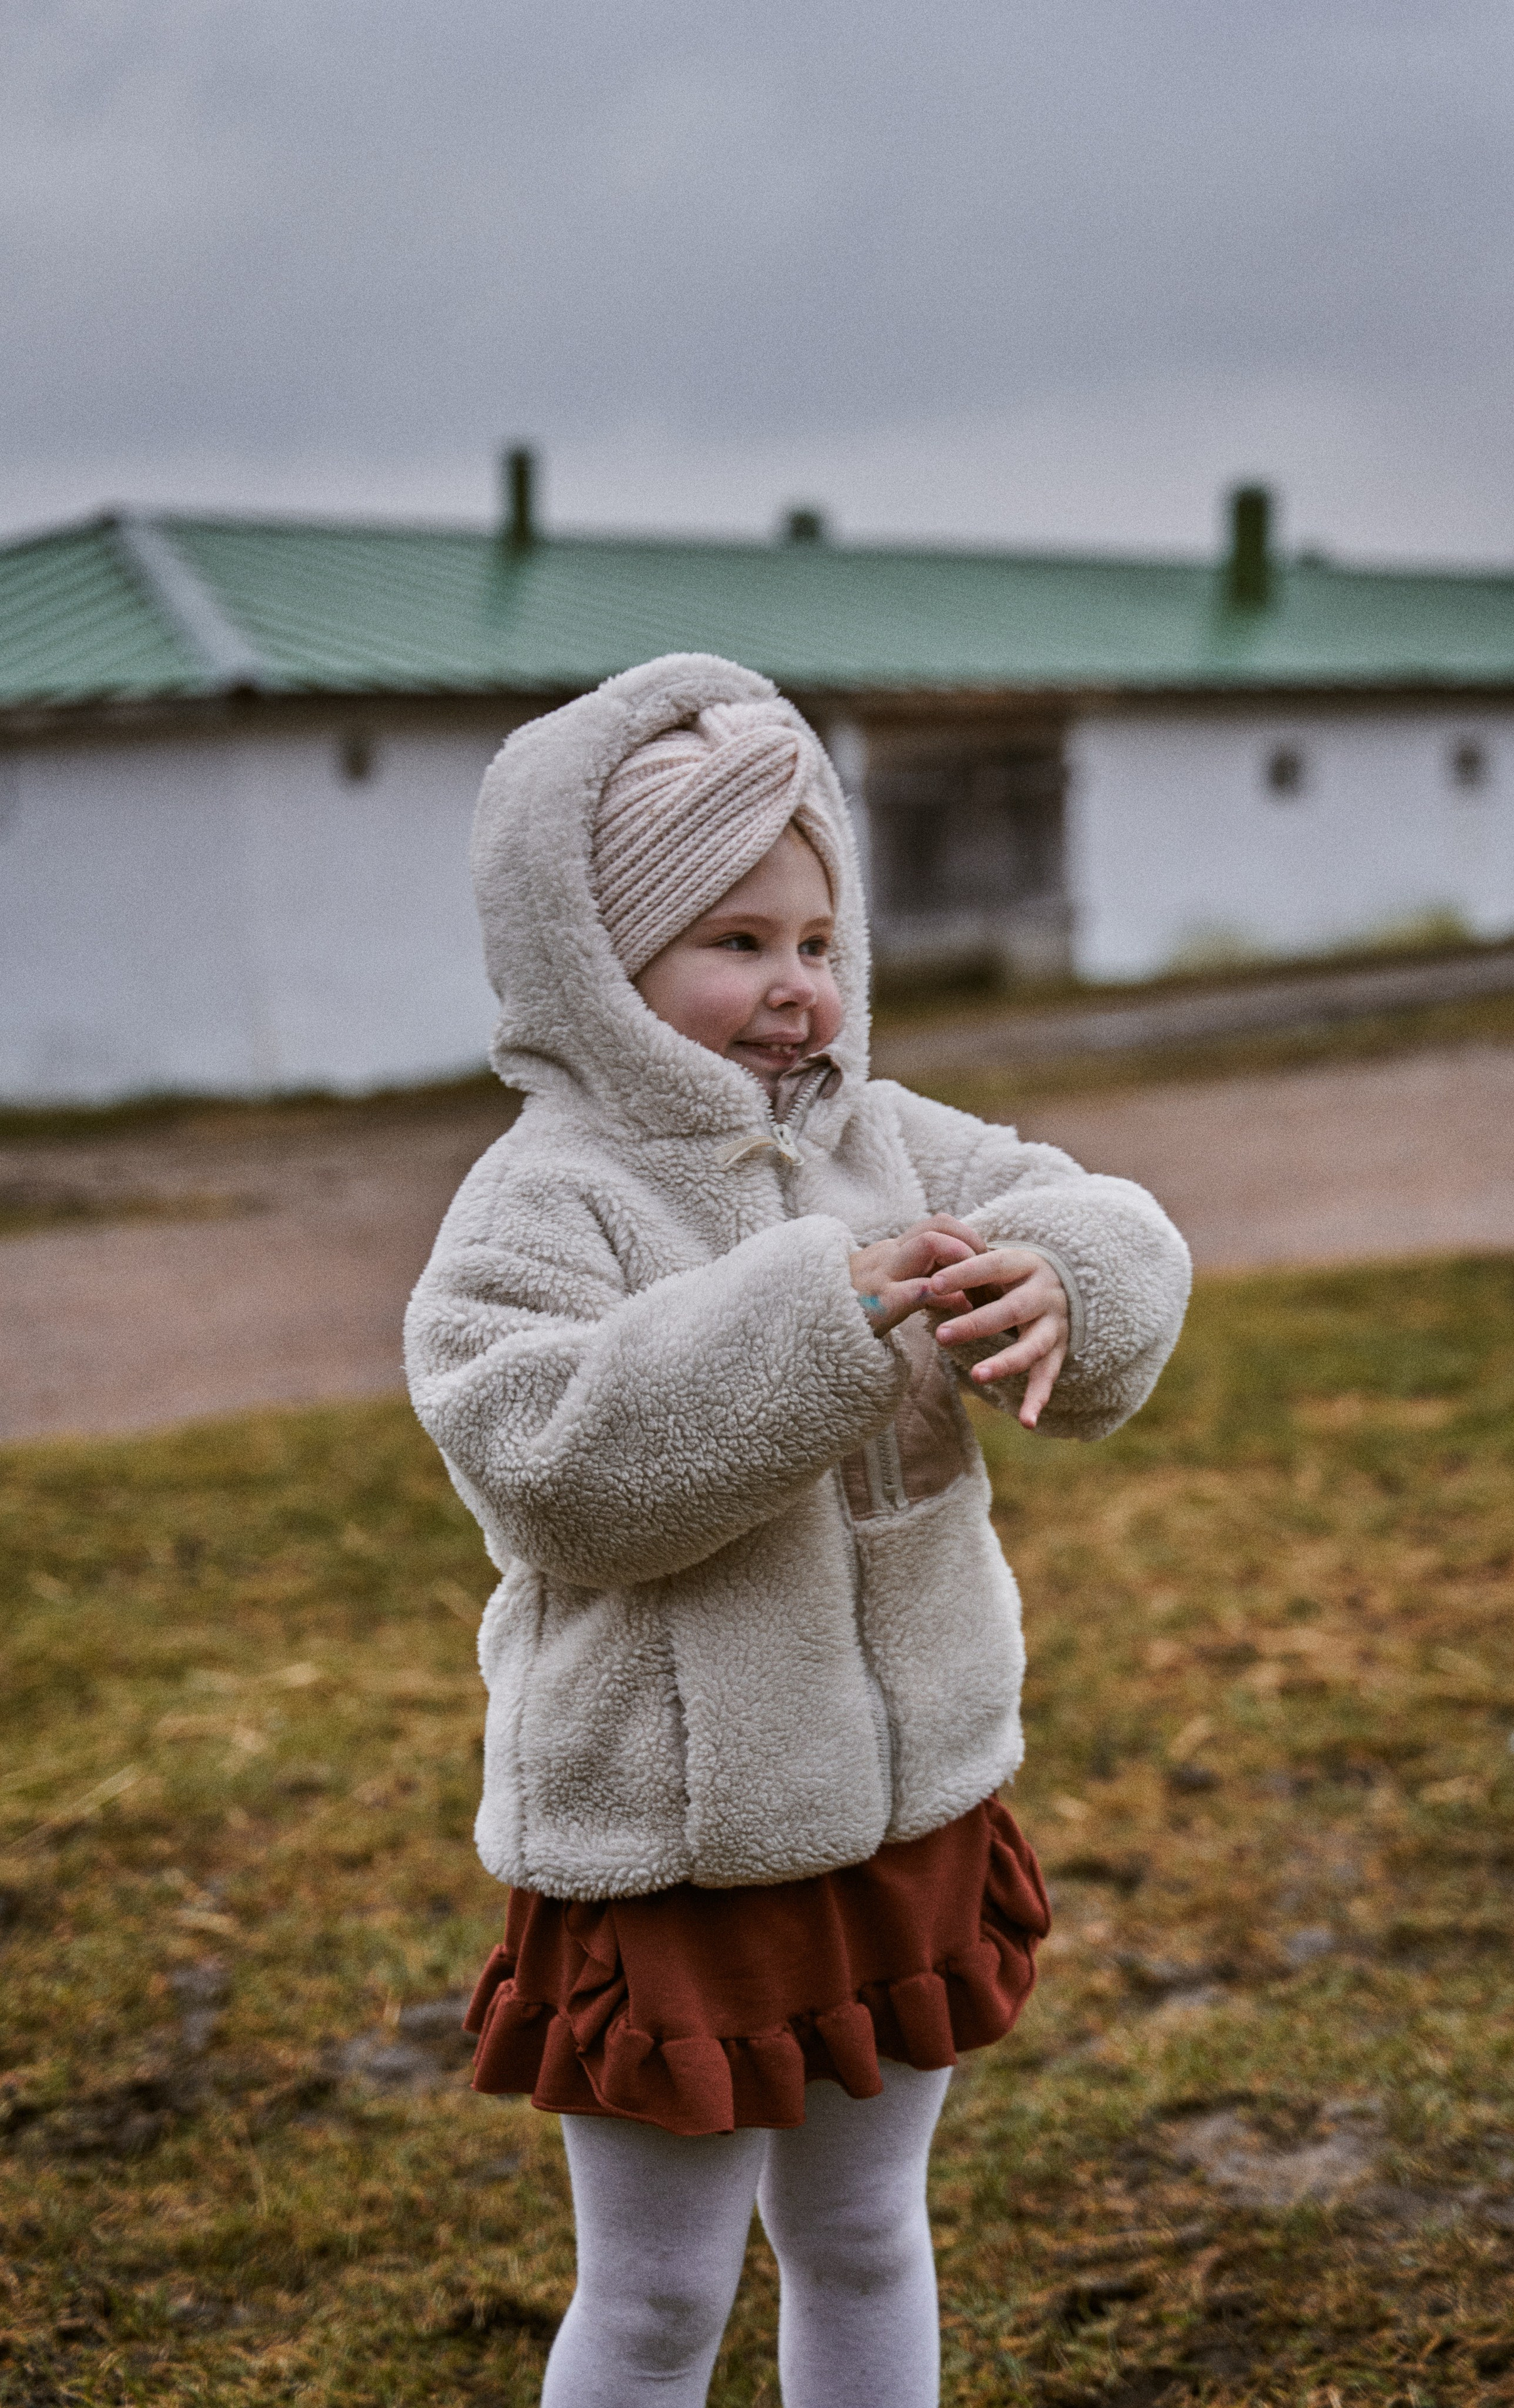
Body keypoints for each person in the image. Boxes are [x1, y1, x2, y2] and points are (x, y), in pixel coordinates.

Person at [404, 653, 1191, 2407]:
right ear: (596, 959)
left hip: (907, 1810)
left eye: (819, 943)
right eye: (734, 941)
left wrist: (1069, 1275)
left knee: (865, 2235)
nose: (795, 992)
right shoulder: (546, 1198)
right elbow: (550, 1464)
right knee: (658, 2296)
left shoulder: (889, 1142)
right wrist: (818, 1325)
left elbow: (1107, 1208)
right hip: (678, 1850)